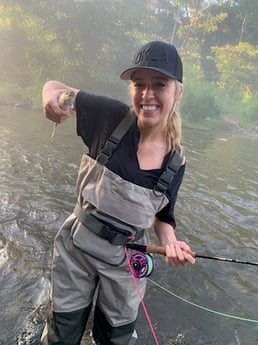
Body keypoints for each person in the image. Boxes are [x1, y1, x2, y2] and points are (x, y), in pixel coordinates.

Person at [40, 40, 196, 345]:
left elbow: (163, 218)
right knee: (61, 335)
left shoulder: (177, 162)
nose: (147, 94)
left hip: (127, 261)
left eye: (159, 84)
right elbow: (56, 86)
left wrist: (172, 243)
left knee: (116, 339)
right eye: (139, 84)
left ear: (176, 92)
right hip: (76, 251)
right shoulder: (109, 117)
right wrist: (51, 97)